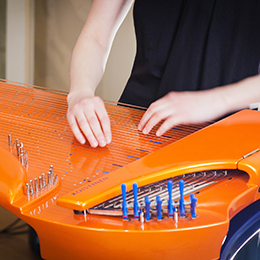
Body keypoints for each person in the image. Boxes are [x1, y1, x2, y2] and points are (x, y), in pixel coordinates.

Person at [67, 0, 260, 148]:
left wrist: (213, 101)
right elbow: (96, 35)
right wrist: (80, 92)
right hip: (141, 124)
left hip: (235, 135)